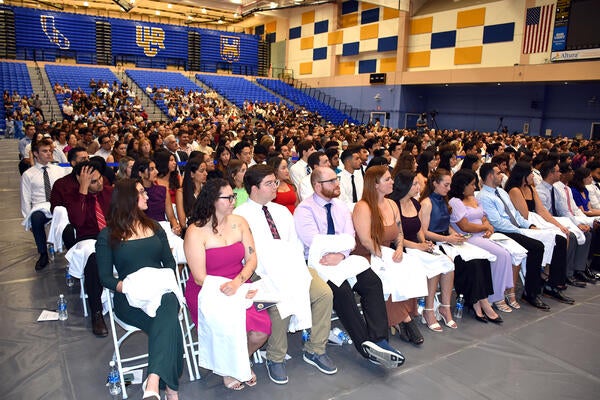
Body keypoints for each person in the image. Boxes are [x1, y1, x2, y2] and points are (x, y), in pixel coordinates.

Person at [294, 167, 405, 369]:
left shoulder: (340, 206)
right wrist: (339, 245)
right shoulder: (304, 209)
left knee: (372, 283)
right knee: (343, 292)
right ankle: (366, 346)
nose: (337, 184)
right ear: (317, 186)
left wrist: (341, 253)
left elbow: (350, 238)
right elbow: (313, 241)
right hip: (317, 263)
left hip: (342, 258)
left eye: (337, 179)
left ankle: (380, 340)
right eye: (331, 181)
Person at [235, 165, 336, 384]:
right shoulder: (240, 216)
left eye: (275, 182)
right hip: (260, 271)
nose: (275, 187)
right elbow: (247, 254)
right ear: (254, 188)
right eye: (269, 183)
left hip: (291, 267)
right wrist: (274, 271)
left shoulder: (281, 211)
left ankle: (315, 349)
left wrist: (294, 267)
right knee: (279, 297)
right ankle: (275, 357)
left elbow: (294, 244)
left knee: (324, 294)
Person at [96, 179, 182, 400]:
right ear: (127, 199)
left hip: (161, 292)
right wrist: (131, 287)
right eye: (141, 193)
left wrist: (156, 282)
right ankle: (170, 388)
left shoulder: (154, 227)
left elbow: (170, 264)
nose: (147, 196)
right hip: (130, 298)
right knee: (169, 326)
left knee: (168, 309)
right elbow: (105, 277)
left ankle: (153, 383)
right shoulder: (109, 235)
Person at [183, 179, 270, 390]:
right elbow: (199, 277)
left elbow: (252, 259)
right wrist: (229, 288)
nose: (234, 200)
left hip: (239, 281)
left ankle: (238, 361)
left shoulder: (239, 222)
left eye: (234, 196)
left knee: (262, 330)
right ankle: (231, 367)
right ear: (212, 201)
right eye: (228, 197)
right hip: (208, 289)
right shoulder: (195, 231)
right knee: (228, 323)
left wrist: (239, 282)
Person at [353, 166, 425, 345]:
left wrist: (399, 248)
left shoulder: (392, 204)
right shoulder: (363, 207)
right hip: (366, 255)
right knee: (389, 275)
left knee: (410, 266)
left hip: (386, 251)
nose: (392, 182)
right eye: (387, 179)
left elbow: (399, 233)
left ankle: (402, 318)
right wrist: (383, 256)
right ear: (375, 185)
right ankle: (405, 320)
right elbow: (366, 240)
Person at [421, 169, 500, 324]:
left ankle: (482, 300)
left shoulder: (444, 200)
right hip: (437, 242)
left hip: (448, 239)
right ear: (435, 184)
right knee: (471, 263)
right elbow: (424, 232)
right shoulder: (426, 203)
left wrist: (454, 235)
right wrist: (447, 237)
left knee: (481, 258)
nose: (449, 189)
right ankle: (476, 302)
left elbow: (446, 224)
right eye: (446, 185)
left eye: (450, 185)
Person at [477, 163, 551, 311]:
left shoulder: (502, 192)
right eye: (498, 173)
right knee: (536, 246)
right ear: (490, 176)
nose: (502, 175)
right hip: (501, 231)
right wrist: (519, 230)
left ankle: (545, 280)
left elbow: (515, 214)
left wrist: (528, 225)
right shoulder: (484, 196)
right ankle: (531, 292)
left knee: (550, 237)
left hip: (514, 228)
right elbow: (497, 222)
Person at [389, 170, 456, 331]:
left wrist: (424, 242)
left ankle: (445, 306)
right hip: (401, 247)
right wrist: (418, 246)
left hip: (416, 246)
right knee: (433, 266)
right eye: (414, 184)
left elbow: (418, 228)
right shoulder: (393, 205)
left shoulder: (415, 203)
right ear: (404, 186)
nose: (418, 187)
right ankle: (428, 310)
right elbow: (395, 236)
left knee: (447, 263)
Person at [448, 169, 519, 312]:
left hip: (481, 235)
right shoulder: (455, 202)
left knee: (508, 252)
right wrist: (483, 227)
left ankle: (501, 292)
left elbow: (484, 217)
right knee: (501, 254)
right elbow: (465, 226)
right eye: (472, 184)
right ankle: (496, 297)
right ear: (463, 185)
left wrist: (488, 228)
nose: (475, 187)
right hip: (467, 238)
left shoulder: (474, 198)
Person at [505, 162, 575, 303]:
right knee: (544, 243)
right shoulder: (514, 190)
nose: (533, 176)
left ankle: (553, 284)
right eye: (530, 173)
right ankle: (539, 282)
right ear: (523, 175)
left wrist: (558, 225)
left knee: (561, 237)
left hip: (534, 220)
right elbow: (524, 215)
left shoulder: (531, 188)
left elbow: (542, 210)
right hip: (523, 224)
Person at [64, 160, 112, 336]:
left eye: (100, 179)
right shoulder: (73, 196)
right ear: (81, 180)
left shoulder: (109, 192)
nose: (99, 183)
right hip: (88, 240)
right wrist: (83, 190)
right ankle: (96, 313)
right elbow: (77, 221)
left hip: (112, 236)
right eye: (93, 181)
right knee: (94, 257)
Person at [535, 161, 595, 285]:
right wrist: (561, 226)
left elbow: (564, 210)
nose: (559, 173)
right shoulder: (540, 191)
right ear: (551, 174)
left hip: (558, 219)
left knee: (586, 233)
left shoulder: (555, 189)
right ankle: (565, 273)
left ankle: (578, 269)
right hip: (545, 222)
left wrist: (577, 225)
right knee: (570, 236)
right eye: (557, 171)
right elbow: (544, 215)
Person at [21, 138, 69, 271]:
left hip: (59, 206)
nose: (49, 154)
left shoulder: (59, 170)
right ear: (35, 154)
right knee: (35, 218)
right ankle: (43, 254)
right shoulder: (28, 174)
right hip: (40, 208)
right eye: (44, 151)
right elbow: (25, 199)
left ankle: (74, 252)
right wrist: (28, 220)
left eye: (50, 151)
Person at [176, 156, 207, 228]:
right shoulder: (181, 192)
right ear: (192, 174)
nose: (206, 173)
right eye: (202, 171)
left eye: (206, 170)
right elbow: (183, 223)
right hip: (190, 229)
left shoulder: (208, 189)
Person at [337, 146, 364, 210]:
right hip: (346, 212)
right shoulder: (338, 178)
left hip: (361, 210)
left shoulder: (359, 176)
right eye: (357, 159)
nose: (360, 161)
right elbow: (342, 201)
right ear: (348, 161)